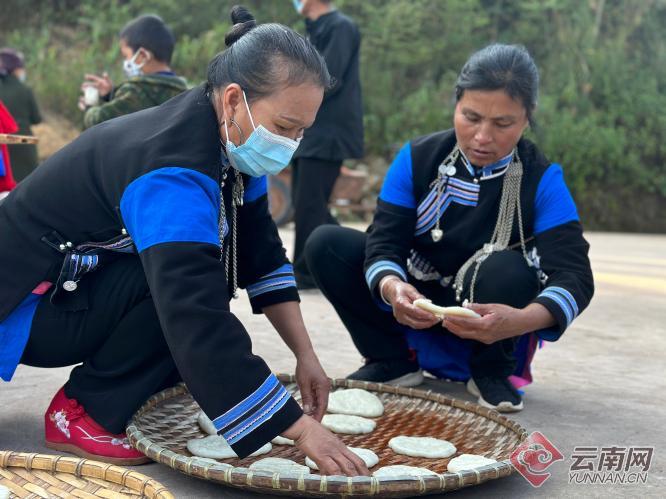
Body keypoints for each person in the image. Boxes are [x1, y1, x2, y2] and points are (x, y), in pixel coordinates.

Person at [0, 6, 369, 476]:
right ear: (234, 100)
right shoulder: (172, 171)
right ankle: (83, 412)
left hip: (73, 291)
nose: (290, 144)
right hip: (24, 304)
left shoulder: (233, 143)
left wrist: (306, 355)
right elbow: (191, 307)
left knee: (206, 274)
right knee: (186, 288)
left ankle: (126, 394)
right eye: (283, 127)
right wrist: (298, 428)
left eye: (301, 132)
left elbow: (261, 254)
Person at [306, 44, 594, 413]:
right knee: (326, 244)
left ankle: (491, 370)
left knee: (506, 268)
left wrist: (521, 321)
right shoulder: (417, 158)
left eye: (503, 124)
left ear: (527, 118)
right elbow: (384, 242)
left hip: (494, 315)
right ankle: (391, 359)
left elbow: (574, 276)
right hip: (417, 301)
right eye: (471, 117)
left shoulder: (542, 178)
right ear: (456, 103)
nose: (482, 137)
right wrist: (393, 288)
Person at [290, 0, 364, 289]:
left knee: (310, 205)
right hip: (310, 130)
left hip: (329, 132)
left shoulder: (340, 27)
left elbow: (328, 78)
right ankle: (357, 256)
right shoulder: (313, 29)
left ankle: (306, 272)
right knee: (309, 204)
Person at [80, 14, 187, 129]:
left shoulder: (137, 90)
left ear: (143, 55)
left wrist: (89, 108)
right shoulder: (183, 93)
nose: (125, 62)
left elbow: (100, 122)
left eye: (126, 56)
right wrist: (110, 94)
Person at [0, 48, 42, 182]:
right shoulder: (25, 90)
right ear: (15, 70)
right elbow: (37, 118)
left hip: (3, 147)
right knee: (27, 184)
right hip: (24, 143)